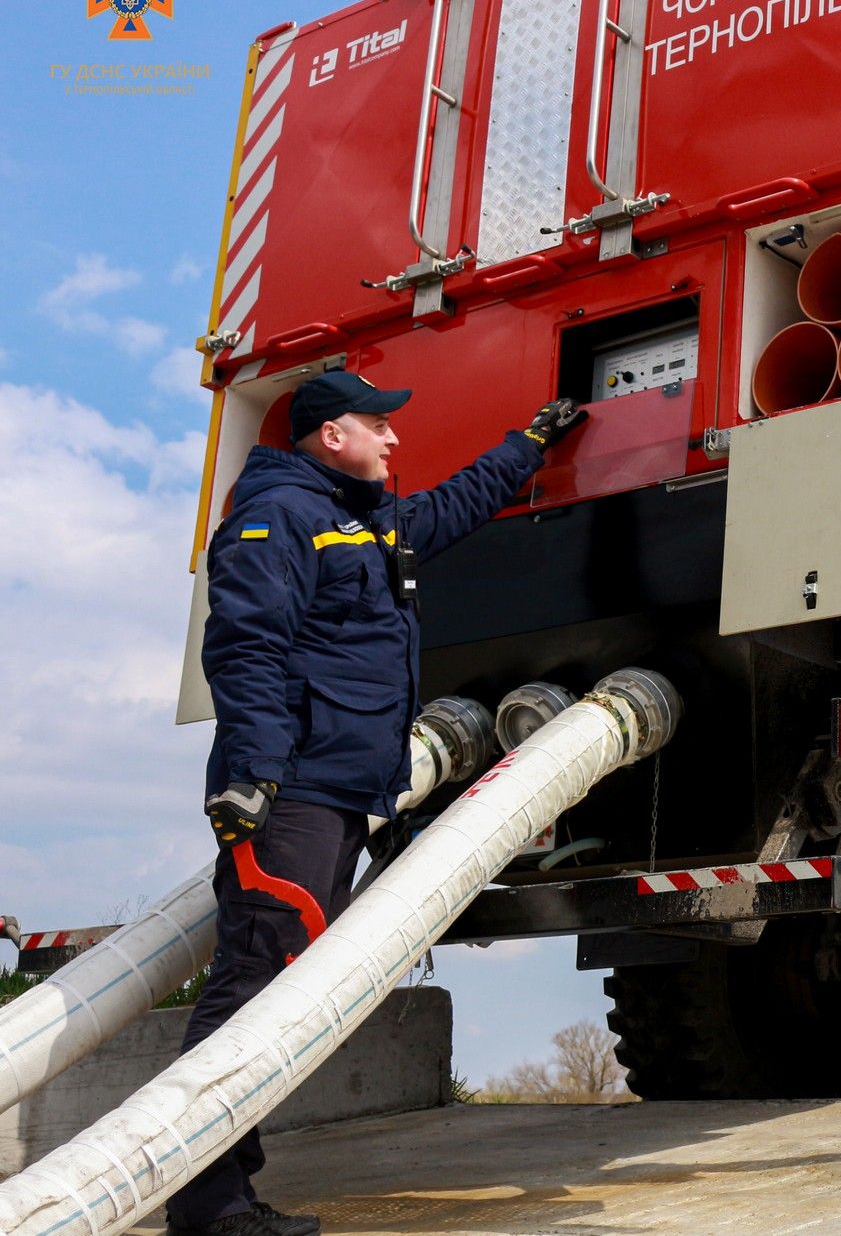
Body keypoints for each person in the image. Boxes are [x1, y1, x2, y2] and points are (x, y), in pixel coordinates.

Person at [165, 370, 587, 1236]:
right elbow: (245, 644)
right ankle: (207, 1206)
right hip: (291, 790)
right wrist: (252, 773)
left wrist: (529, 445)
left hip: (340, 791)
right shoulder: (276, 517)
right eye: (378, 425)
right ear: (330, 434)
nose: (393, 439)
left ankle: (222, 1197)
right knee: (255, 986)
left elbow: (453, 507)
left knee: (278, 988)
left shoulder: (359, 519)